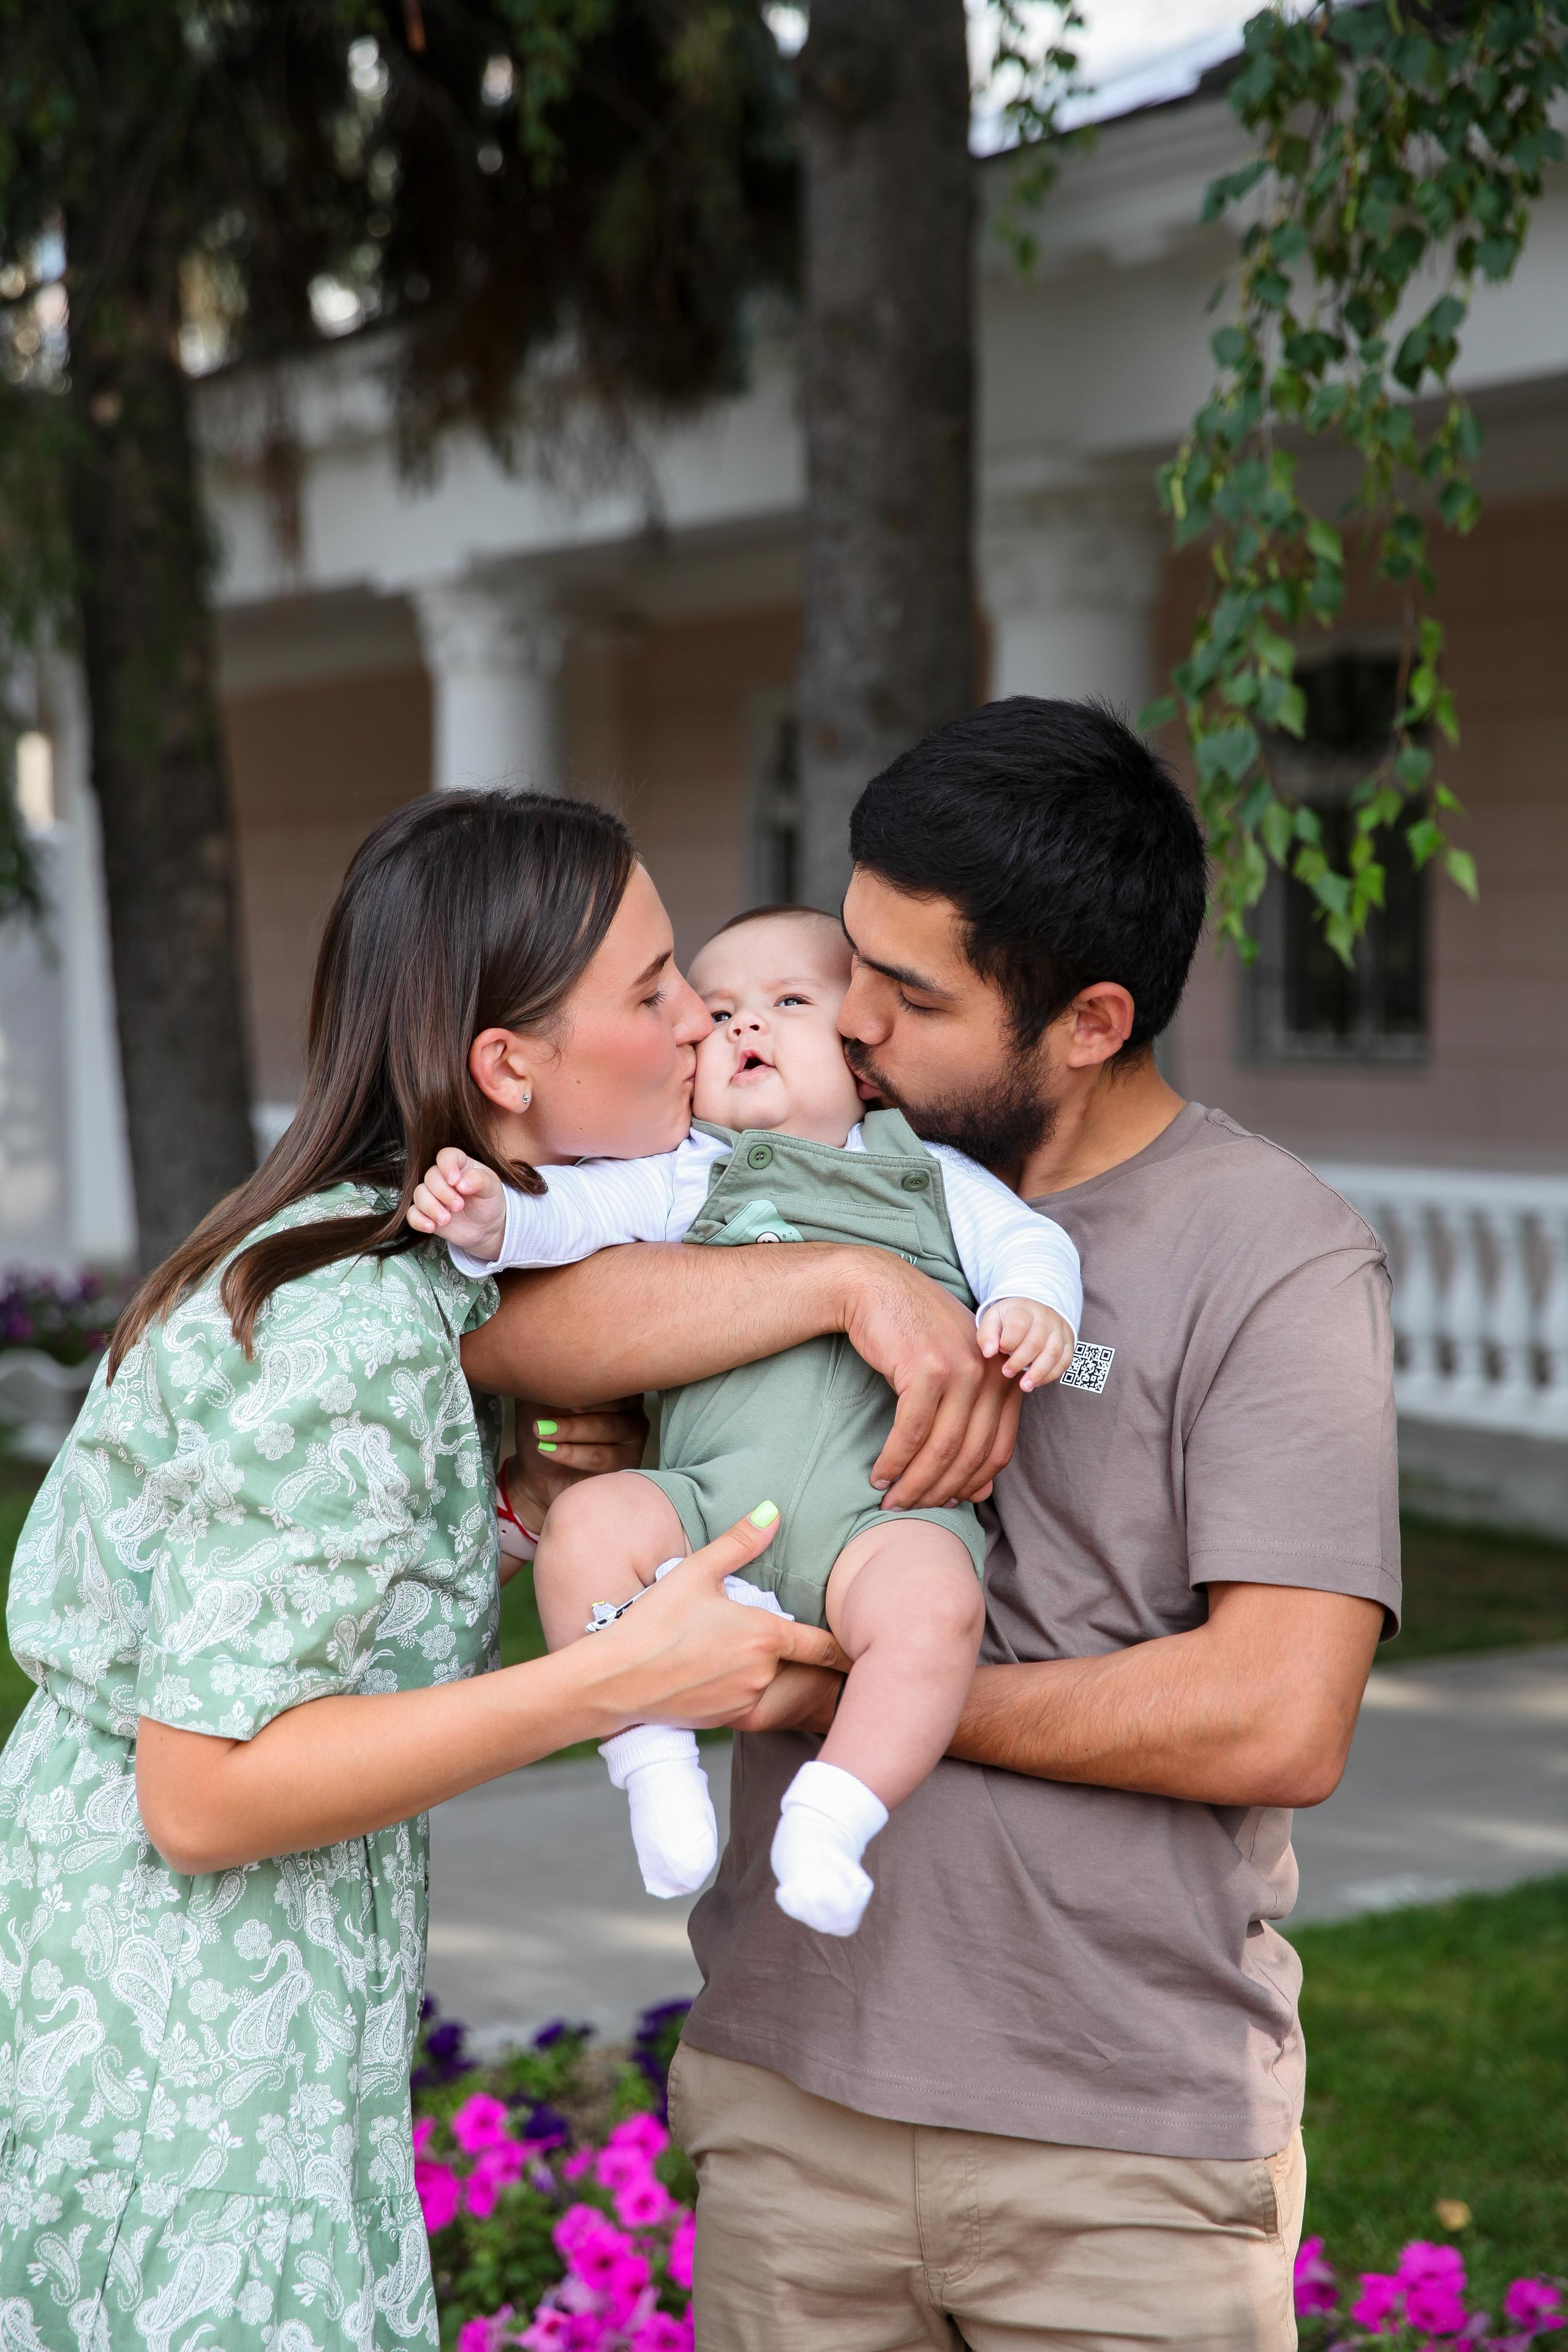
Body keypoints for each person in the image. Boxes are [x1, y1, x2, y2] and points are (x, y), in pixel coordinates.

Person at [466, 701, 1399, 2352]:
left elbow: (1278, 1710)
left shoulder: (1273, 1255)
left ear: (1091, 1019)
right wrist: (841, 1279)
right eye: (854, 963)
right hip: (789, 2096)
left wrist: (831, 1694)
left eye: (912, 995)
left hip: (1122, 2141)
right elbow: (519, 1332)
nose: (856, 1020)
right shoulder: (766, 1169)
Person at [0, 791, 871, 2352]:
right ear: (506, 1067)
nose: (700, 1025)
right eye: (655, 986)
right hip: (179, 2017)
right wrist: (611, 1682)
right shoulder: (356, 1322)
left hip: (174, 1970)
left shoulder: (366, 1250)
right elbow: (202, 1791)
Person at [407, 904, 1080, 1937]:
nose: (741, 1028)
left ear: (860, 1061)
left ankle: (832, 1814)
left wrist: (1030, 1308)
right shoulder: (690, 1173)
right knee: (588, 1530)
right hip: (704, 1505)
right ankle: (649, 1759)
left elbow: (1028, 1244)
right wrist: (497, 1222)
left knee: (935, 1613)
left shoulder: (927, 1169)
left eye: (788, 1004)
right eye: (716, 1012)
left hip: (882, 1515)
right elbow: (573, 1222)